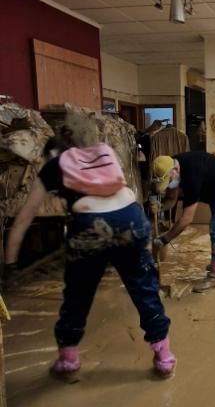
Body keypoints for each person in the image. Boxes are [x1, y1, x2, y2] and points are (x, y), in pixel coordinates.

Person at [4, 114, 175, 378]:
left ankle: (68, 359)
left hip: (89, 225)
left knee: (78, 292)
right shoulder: (107, 154)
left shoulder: (56, 164)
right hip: (132, 220)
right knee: (143, 287)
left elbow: (24, 219)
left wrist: (10, 264)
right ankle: (164, 356)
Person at [151, 152, 215, 292]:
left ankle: (214, 277)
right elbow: (172, 197)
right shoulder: (170, 163)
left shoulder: (191, 176)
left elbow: (186, 219)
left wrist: (164, 239)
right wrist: (160, 207)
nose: (170, 185)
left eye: (169, 181)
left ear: (175, 171)